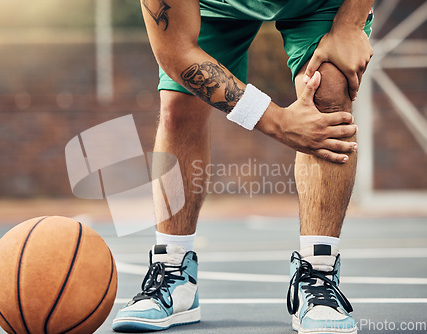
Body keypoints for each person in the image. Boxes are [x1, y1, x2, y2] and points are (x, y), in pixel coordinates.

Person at [112, 0, 373, 333]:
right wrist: (279, 122)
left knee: (330, 86)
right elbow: (177, 54)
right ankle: (173, 267)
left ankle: (318, 272)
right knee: (178, 104)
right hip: (216, 5)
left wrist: (350, 24)